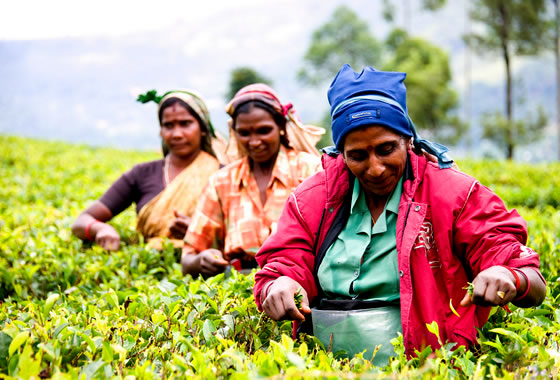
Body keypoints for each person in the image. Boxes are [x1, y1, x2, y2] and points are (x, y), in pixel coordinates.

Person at [253, 65, 546, 363]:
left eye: (386, 149)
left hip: (427, 366)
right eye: (357, 155)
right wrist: (282, 283)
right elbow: (285, 260)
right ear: (341, 153)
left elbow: (532, 281)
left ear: (408, 139)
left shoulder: (452, 194)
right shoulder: (314, 199)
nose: (375, 167)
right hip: (323, 365)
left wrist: (508, 275)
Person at [181, 84, 323, 277]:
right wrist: (202, 259)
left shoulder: (311, 170)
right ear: (234, 132)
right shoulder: (222, 182)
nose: (254, 141)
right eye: (245, 133)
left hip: (301, 280)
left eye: (264, 131)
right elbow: (188, 258)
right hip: (237, 287)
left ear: (281, 126)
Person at [72, 90, 222, 250]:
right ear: (161, 131)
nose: (177, 134)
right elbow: (82, 221)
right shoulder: (142, 173)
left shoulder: (223, 175)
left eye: (185, 123)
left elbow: (241, 238)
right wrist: (101, 229)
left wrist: (198, 232)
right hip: (147, 265)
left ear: (203, 128)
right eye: (168, 126)